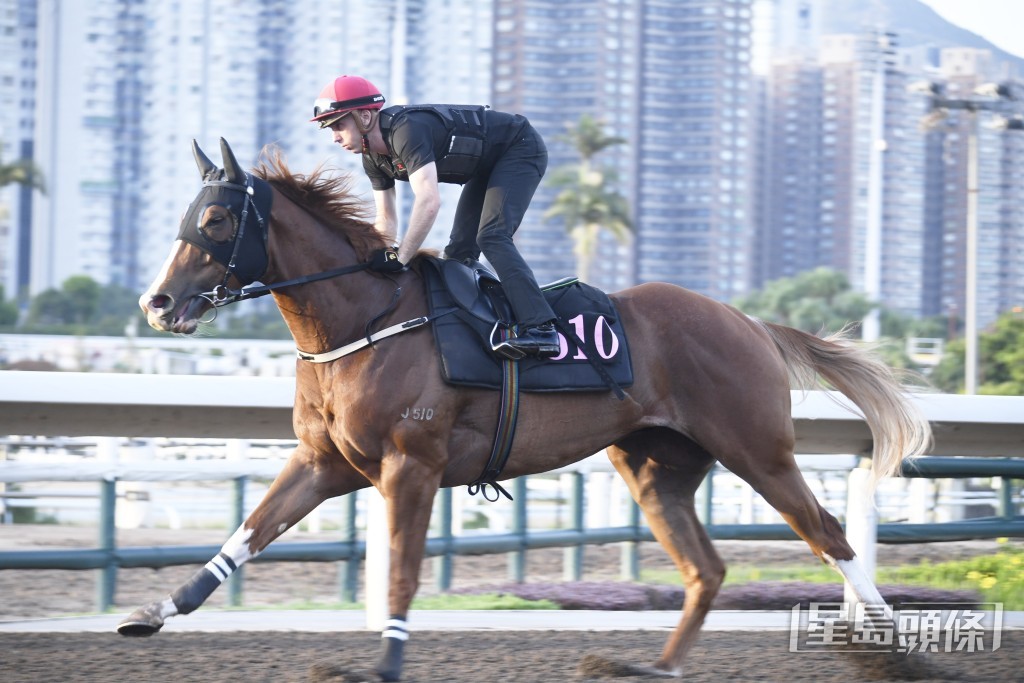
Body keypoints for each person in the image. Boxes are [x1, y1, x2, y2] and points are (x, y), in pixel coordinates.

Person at [310, 74, 559, 359]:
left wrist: (402, 257)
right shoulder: (372, 158)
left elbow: (429, 202)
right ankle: (483, 327)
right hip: (486, 165)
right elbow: (386, 221)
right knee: (457, 255)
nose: (335, 137)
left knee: (492, 237)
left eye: (339, 125)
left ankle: (541, 329)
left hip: (518, 147)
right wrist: (377, 259)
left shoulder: (406, 131)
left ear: (365, 116)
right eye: (330, 128)